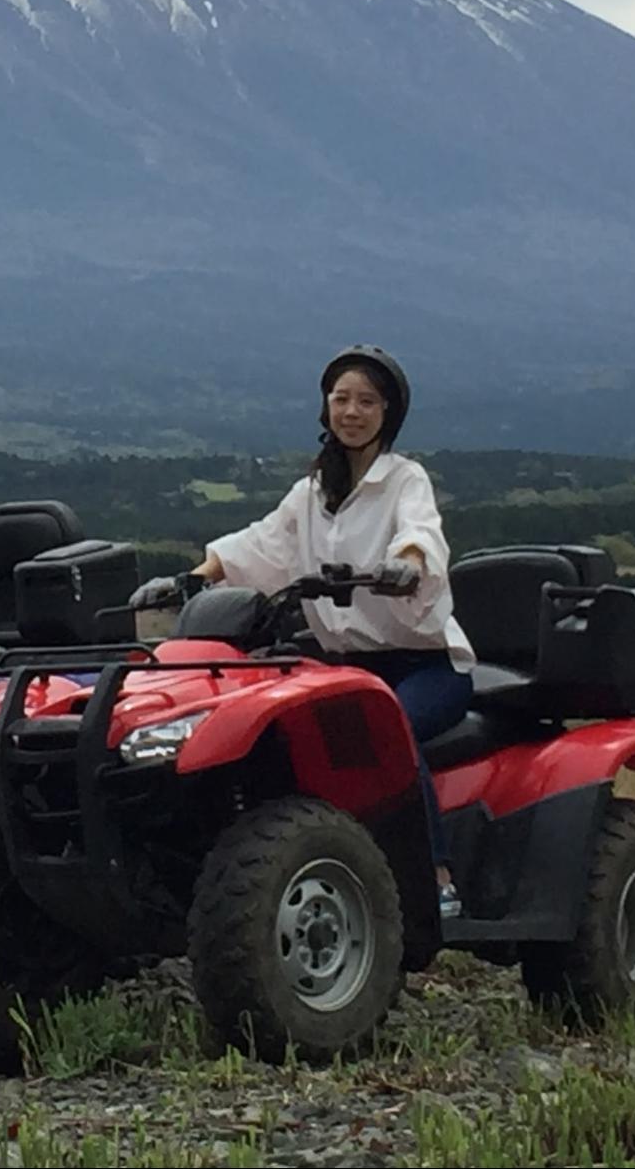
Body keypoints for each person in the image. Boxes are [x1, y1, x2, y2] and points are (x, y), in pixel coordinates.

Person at [129, 344, 475, 918]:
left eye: (367, 400)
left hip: (423, 664)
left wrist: (405, 564)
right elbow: (261, 544)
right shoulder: (314, 492)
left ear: (389, 412)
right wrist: (190, 579)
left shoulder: (404, 480)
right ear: (325, 408)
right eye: (341, 399)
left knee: (388, 730)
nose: (352, 411)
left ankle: (434, 873)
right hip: (344, 667)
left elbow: (421, 534)